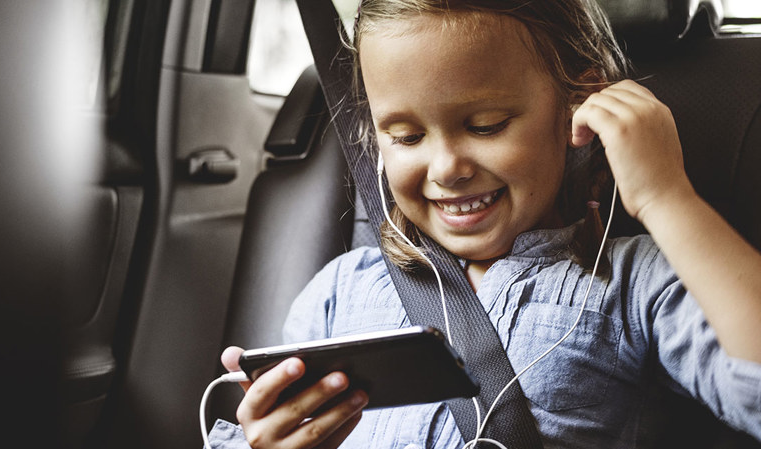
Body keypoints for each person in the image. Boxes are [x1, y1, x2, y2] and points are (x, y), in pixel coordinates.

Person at [207, 0, 761, 447]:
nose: (447, 168)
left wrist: (666, 197)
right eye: (406, 137)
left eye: (487, 125)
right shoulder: (340, 290)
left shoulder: (630, 284)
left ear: (577, 105)